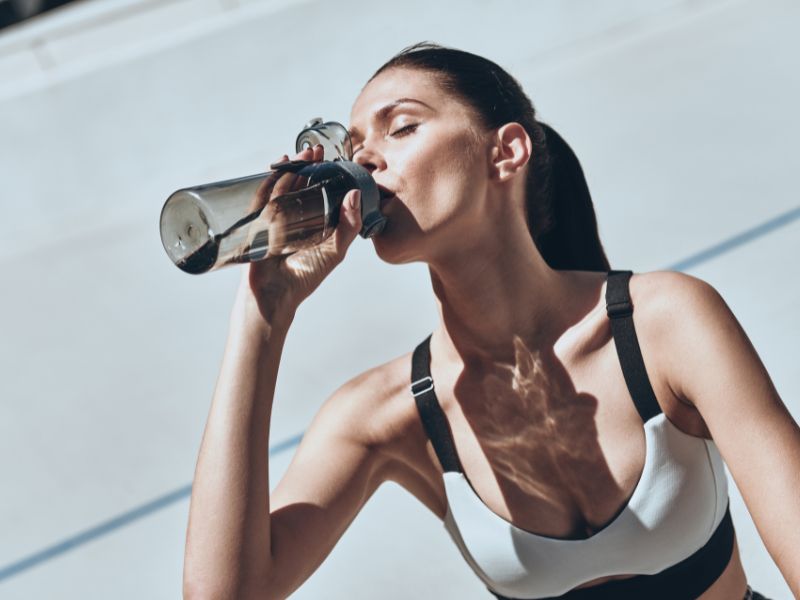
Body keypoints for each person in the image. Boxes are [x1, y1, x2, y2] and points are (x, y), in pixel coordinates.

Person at [182, 43, 799, 600]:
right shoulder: (387, 415)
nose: (364, 159)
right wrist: (264, 313)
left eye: (400, 127)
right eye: (353, 148)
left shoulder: (662, 325)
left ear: (505, 153)